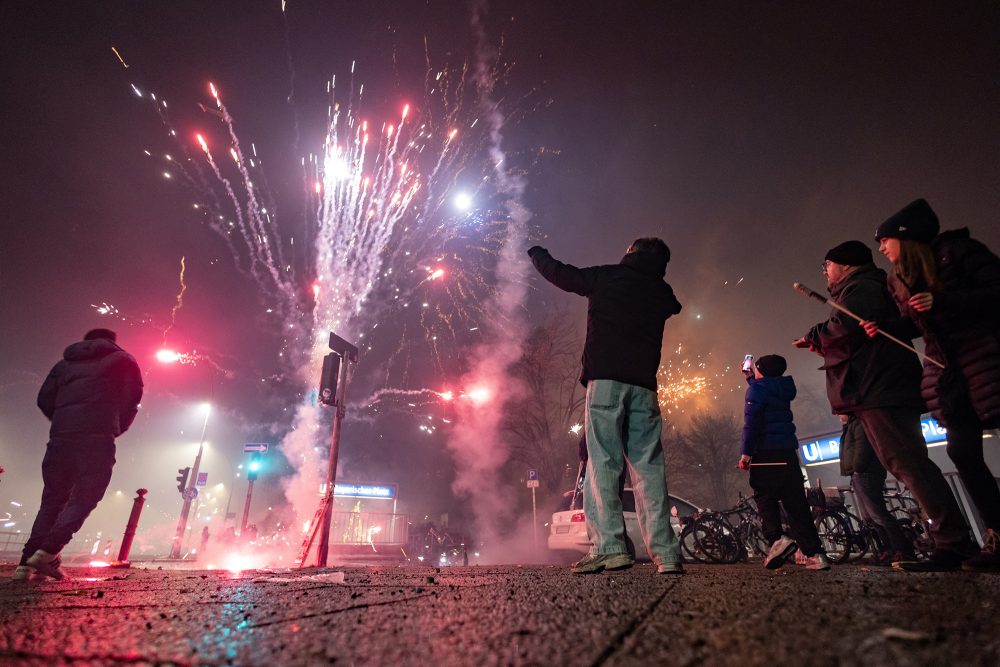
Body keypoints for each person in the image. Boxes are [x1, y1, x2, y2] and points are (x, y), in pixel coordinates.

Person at [794, 240, 976, 572]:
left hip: (881, 390)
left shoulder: (861, 288)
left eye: (828, 265)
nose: (825, 273)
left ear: (846, 265)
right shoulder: (861, 288)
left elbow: (844, 329)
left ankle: (953, 542)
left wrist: (819, 335)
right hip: (877, 390)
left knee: (909, 464)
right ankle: (950, 540)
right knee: (906, 465)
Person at [528, 238, 684, 574]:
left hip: (606, 383)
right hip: (644, 386)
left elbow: (562, 275)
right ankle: (666, 554)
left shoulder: (607, 277)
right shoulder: (661, 291)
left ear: (630, 253)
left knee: (603, 463)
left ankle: (610, 548)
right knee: (649, 468)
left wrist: (537, 253)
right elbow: (675, 306)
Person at [867, 198, 1000, 572]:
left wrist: (945, 300)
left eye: (885, 239)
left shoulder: (957, 253)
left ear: (906, 237)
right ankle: (994, 535)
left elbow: (993, 293)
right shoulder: (900, 278)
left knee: (964, 452)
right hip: (951, 373)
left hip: (984, 360)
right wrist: (886, 328)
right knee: (963, 452)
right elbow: (919, 324)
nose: (881, 248)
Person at [14, 329, 143, 581]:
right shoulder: (123, 361)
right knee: (87, 495)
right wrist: (116, 426)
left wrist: (64, 421)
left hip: (60, 439)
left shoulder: (64, 364)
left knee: (52, 501)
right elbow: (132, 398)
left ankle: (24, 566)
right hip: (96, 437)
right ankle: (48, 551)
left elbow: (44, 399)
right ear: (111, 341)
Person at [737, 354, 829, 570]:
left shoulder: (756, 391)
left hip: (765, 454)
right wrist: (751, 379)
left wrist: (745, 454)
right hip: (787, 453)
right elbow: (766, 391)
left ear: (760, 370)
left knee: (764, 495)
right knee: (797, 503)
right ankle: (815, 554)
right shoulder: (783, 388)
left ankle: (777, 539)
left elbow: (751, 424)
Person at [838, 414, 916, 564]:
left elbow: (862, 448)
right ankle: (888, 549)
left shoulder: (859, 424)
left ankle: (902, 550)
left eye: (840, 412)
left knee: (879, 515)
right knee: (872, 517)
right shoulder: (852, 425)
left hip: (866, 473)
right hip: (861, 474)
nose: (837, 415)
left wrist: (857, 468)